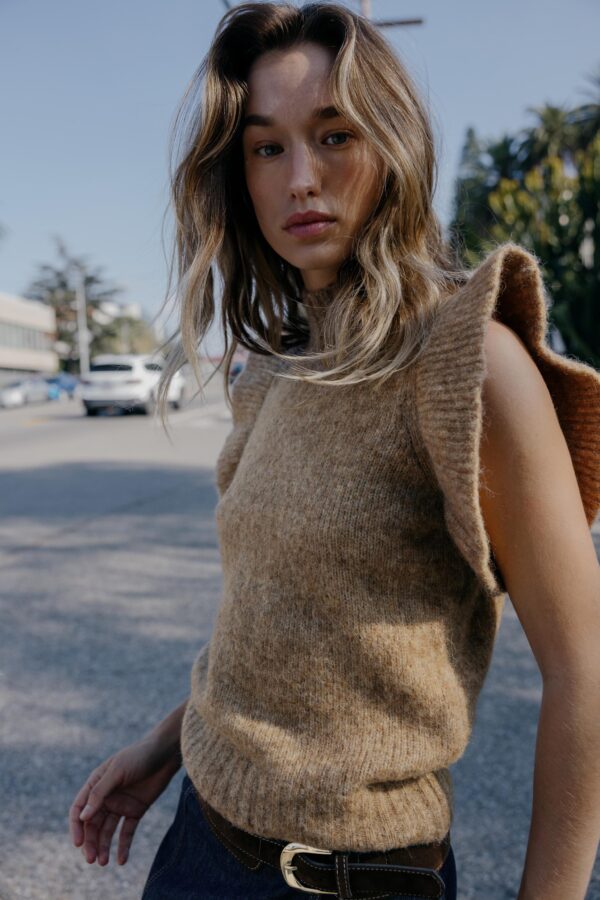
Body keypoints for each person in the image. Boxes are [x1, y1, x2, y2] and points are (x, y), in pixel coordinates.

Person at [68, 3, 600, 898]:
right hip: (197, 846)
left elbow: (585, 670)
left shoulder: (466, 360)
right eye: (266, 148)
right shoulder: (278, 364)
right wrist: (166, 745)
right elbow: (274, 616)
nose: (301, 179)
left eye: (335, 134)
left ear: (393, 144)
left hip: (354, 880)